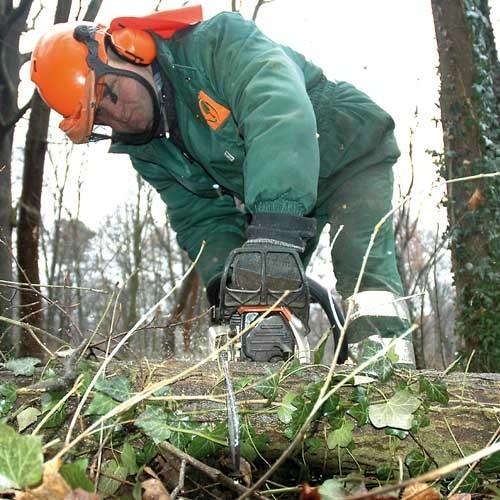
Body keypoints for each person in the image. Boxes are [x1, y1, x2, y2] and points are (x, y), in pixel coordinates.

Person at [30, 5, 415, 368]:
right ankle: (279, 382)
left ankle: (388, 380)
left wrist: (273, 232)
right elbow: (200, 217)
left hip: (348, 152)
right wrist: (227, 280)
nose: (119, 115)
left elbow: (275, 106)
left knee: (364, 273)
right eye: (102, 116)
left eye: (109, 93)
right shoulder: (148, 150)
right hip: (277, 194)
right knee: (264, 296)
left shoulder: (215, 43)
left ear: (128, 51)